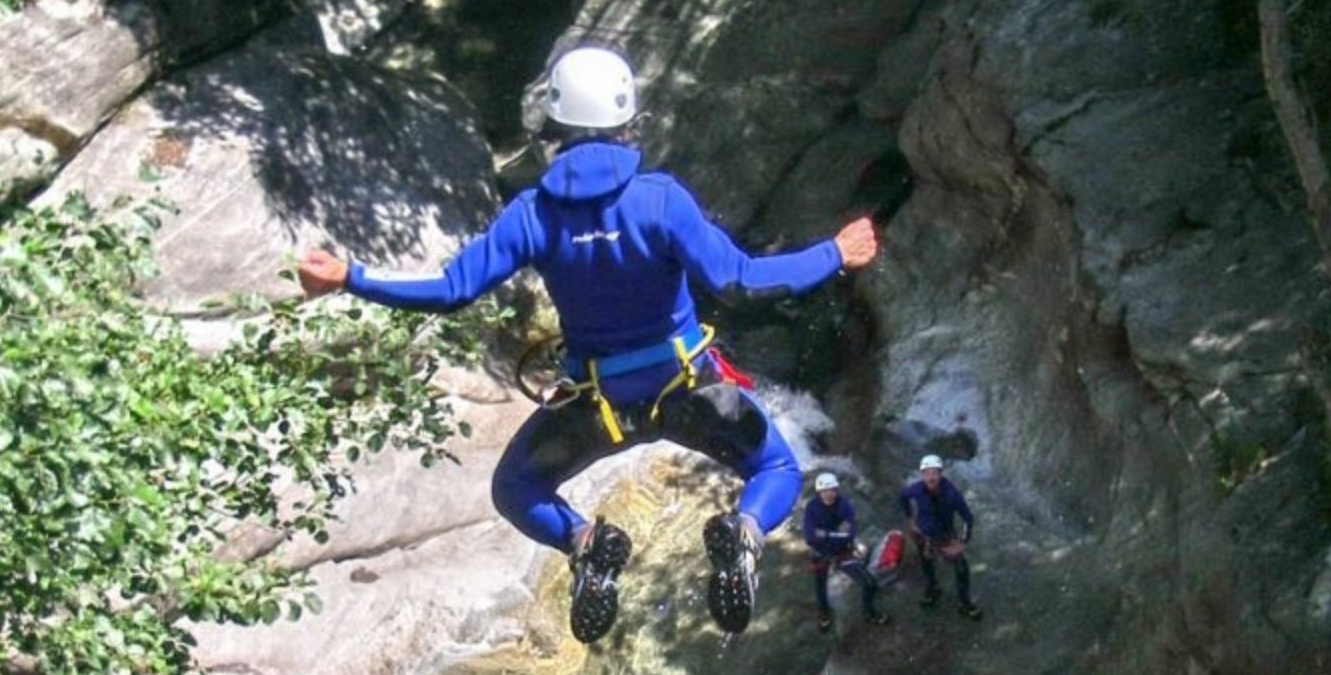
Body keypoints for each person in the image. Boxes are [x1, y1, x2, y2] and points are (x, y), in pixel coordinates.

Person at [297, 44, 879, 644]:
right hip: (687, 387)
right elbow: (741, 280)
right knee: (776, 466)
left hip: (595, 405)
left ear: (553, 125)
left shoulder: (531, 215)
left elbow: (451, 290)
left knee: (516, 490)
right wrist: (834, 253)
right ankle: (746, 534)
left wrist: (349, 278)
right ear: (627, 122)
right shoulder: (661, 199)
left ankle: (585, 542)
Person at [899, 454, 982, 620]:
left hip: (945, 535)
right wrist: (909, 518)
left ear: (941, 474)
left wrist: (962, 542)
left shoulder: (951, 494)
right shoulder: (915, 489)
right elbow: (903, 497)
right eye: (927, 473)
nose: (931, 477)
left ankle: (964, 603)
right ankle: (932, 588)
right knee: (926, 561)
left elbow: (967, 518)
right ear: (922, 475)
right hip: (923, 534)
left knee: (961, 566)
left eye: (935, 473)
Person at [802, 472, 888, 632]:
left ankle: (868, 612)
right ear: (819, 492)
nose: (829, 494)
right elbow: (810, 536)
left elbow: (849, 533)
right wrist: (836, 534)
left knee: (869, 583)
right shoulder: (812, 507)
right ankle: (823, 612)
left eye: (832, 490)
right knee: (820, 584)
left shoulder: (844, 505)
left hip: (842, 551)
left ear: (836, 490)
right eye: (825, 491)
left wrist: (825, 534)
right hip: (821, 552)